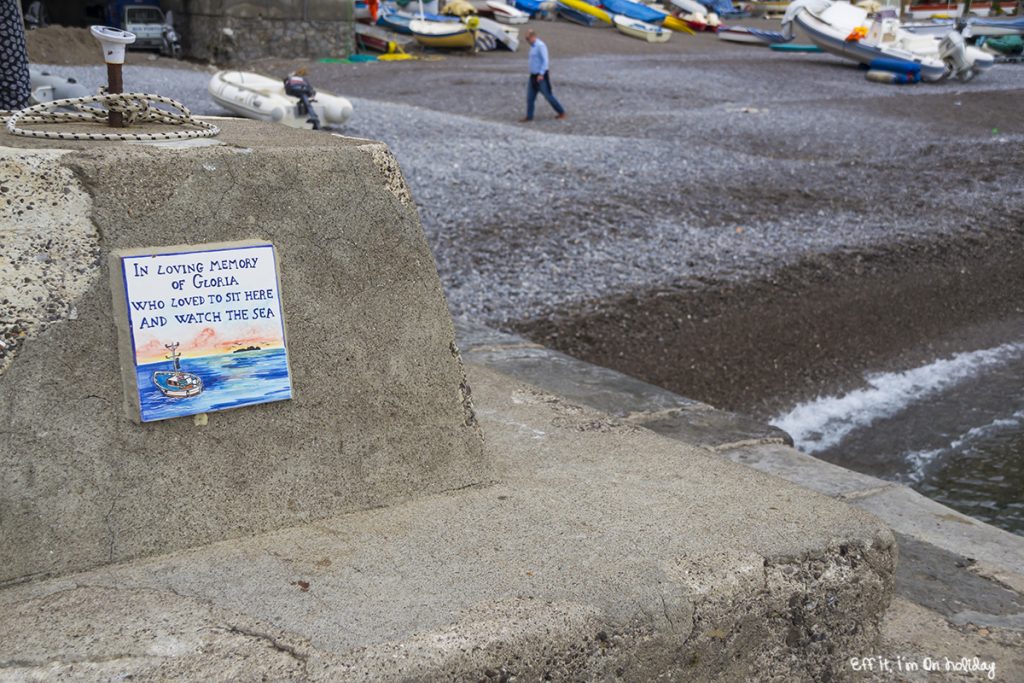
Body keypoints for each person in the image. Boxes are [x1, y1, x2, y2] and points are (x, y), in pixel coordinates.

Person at [521, 29, 566, 123]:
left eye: (527, 38)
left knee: (548, 96)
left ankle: (561, 112)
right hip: (533, 75)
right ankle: (529, 116)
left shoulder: (540, 46)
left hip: (540, 76)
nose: (527, 41)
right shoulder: (532, 47)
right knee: (530, 97)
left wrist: (541, 74)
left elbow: (545, 61)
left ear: (533, 37)